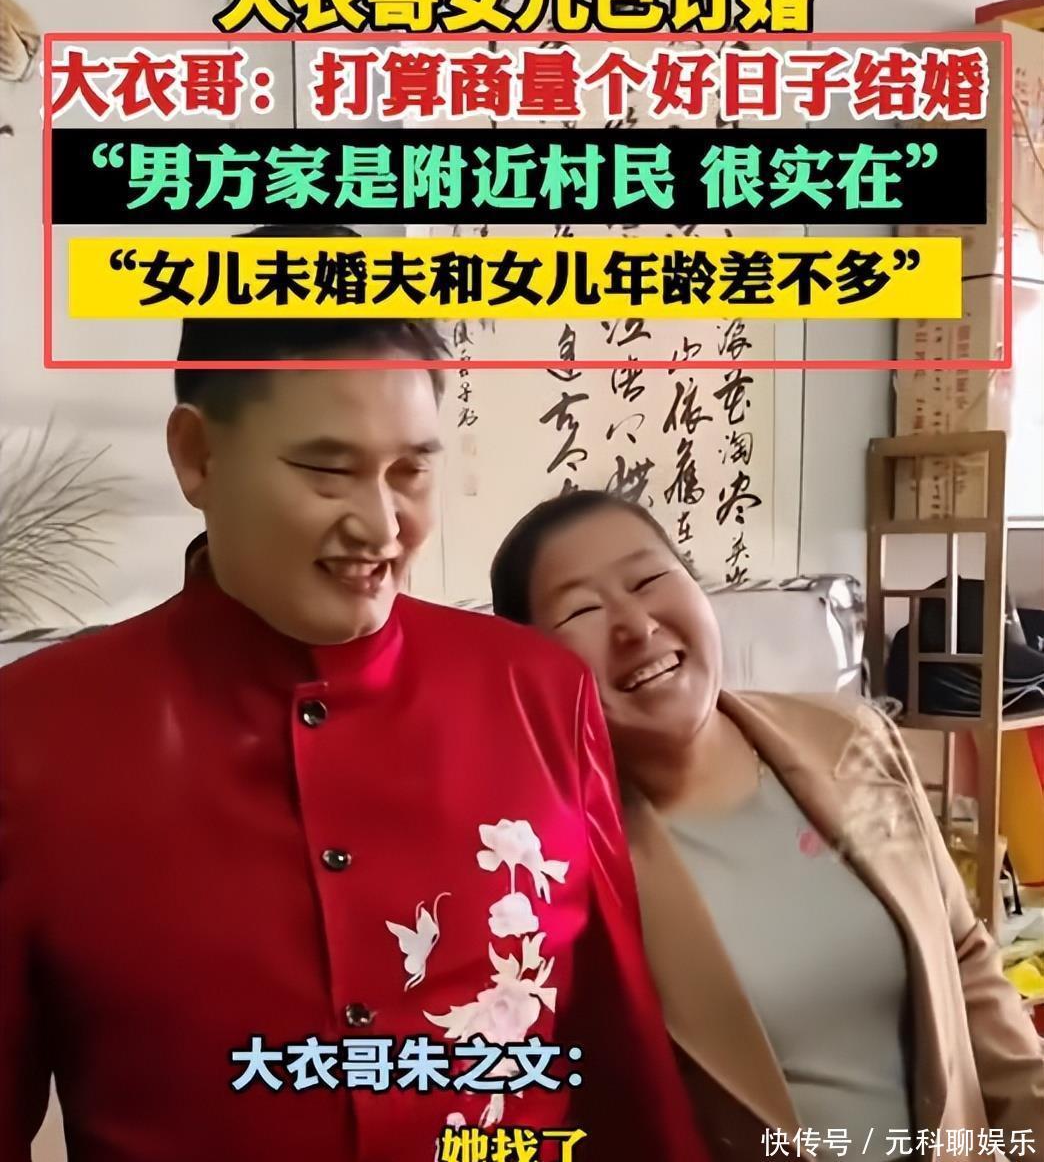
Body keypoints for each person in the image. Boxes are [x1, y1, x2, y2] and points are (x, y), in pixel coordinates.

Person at [0, 283, 707, 1160]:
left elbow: (619, 1064)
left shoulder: (537, 690)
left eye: (411, 471)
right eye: (326, 470)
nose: (380, 525)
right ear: (199, 456)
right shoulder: (33, 732)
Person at [490, 489, 1044, 1162]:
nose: (635, 624)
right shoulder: (549, 867)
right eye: (582, 610)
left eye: (649, 579)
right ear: (534, 665)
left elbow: (962, 956)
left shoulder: (849, 735)